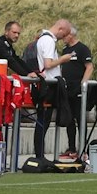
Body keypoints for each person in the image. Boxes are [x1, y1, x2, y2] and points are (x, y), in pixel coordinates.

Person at [29, 20, 79, 161]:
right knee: (43, 122)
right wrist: (63, 59)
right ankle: (40, 156)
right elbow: (48, 64)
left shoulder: (43, 38)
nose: (64, 38)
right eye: (65, 34)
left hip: (48, 84)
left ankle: (40, 155)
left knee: (44, 122)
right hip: (48, 86)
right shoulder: (49, 40)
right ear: (61, 29)